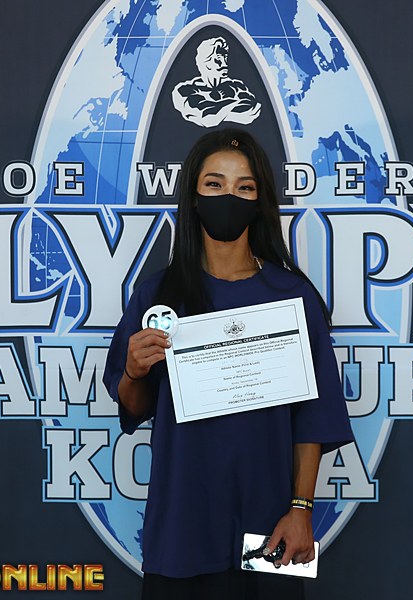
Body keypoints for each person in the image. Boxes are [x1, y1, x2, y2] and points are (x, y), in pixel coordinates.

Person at [103, 128, 353, 599]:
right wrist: (134, 371)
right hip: (181, 529)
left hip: (270, 530)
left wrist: (301, 510)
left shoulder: (292, 296)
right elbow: (133, 407)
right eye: (214, 184)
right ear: (193, 196)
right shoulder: (158, 296)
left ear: (260, 201)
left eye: (245, 187)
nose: (228, 197)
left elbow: (313, 418)